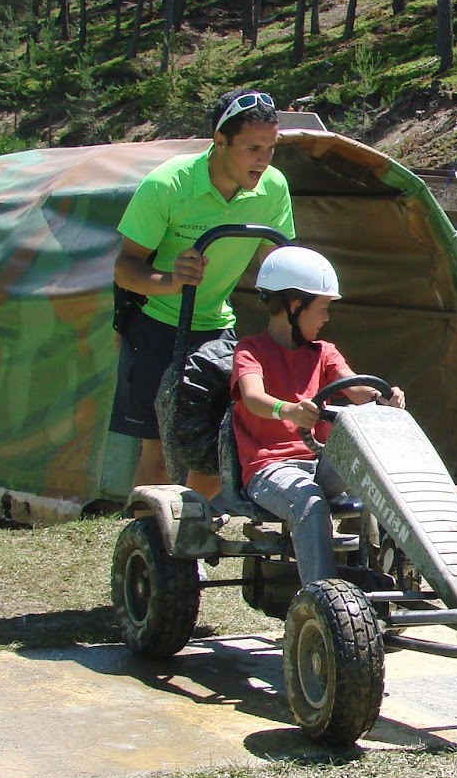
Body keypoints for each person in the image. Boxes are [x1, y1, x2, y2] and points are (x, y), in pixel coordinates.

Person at [111, 87, 296, 495]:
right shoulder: (167, 184)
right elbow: (125, 268)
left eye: (271, 148)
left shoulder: (274, 188)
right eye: (253, 148)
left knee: (214, 448)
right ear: (220, 141)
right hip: (157, 326)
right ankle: (150, 530)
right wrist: (170, 281)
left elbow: (277, 265)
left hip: (217, 327)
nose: (264, 159)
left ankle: (195, 528)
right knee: (157, 451)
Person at [231, 246, 406, 587]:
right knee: (308, 500)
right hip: (269, 469)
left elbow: (355, 388)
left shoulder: (323, 352)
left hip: (318, 463)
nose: (327, 318)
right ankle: (321, 596)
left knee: (383, 478)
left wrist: (383, 397)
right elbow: (252, 398)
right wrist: (289, 410)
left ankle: (391, 577)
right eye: (322, 308)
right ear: (294, 305)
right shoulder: (250, 350)